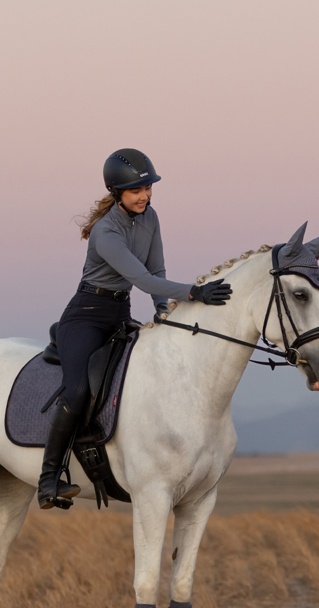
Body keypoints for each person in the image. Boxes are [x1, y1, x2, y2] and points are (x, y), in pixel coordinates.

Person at [37, 148, 233, 509]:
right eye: (136, 190)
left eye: (148, 188)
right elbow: (141, 278)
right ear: (117, 193)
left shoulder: (151, 217)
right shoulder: (105, 231)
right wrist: (195, 293)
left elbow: (156, 270)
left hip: (118, 313)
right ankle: (49, 479)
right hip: (85, 316)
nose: (144, 195)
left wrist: (165, 312)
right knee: (79, 389)